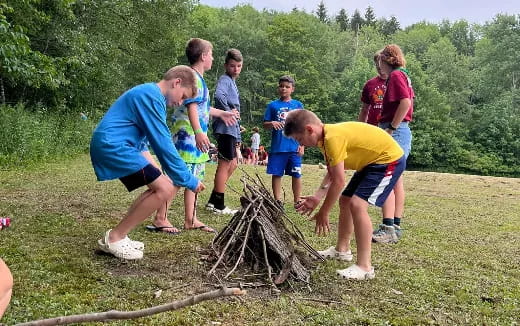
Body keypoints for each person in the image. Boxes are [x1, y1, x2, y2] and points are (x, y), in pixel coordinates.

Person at [90, 65, 205, 260]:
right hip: (114, 146)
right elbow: (162, 143)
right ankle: (115, 237)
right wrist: (189, 179)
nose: (181, 102)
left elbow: (144, 142)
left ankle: (119, 236)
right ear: (176, 82)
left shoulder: (150, 94)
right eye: (183, 96)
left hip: (120, 145)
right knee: (165, 189)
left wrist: (156, 170)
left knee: (161, 186)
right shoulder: (151, 96)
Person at [285, 109, 405, 280]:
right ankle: (342, 250)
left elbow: (339, 181)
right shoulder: (324, 139)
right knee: (345, 201)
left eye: (299, 139)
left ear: (309, 129)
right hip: (370, 162)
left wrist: (324, 211)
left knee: (357, 204)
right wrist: (317, 197)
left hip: (388, 160)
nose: (301, 143)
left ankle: (365, 267)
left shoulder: (332, 138)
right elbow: (333, 172)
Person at [154, 38, 238, 234]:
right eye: (211, 54)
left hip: (196, 138)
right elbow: (191, 106)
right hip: (187, 137)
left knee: (195, 176)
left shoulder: (199, 79)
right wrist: (199, 132)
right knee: (178, 175)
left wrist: (221, 113)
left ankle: (190, 219)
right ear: (203, 56)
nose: (213, 58)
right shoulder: (191, 77)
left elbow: (202, 107)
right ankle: (160, 218)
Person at [372, 44, 414, 243]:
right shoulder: (403, 75)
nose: (379, 66)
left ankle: (387, 227)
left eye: (380, 61)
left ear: (387, 59)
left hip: (395, 130)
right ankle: (395, 226)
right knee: (396, 180)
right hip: (401, 131)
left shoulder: (396, 76)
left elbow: (405, 103)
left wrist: (391, 129)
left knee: (386, 177)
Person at [206, 49, 243, 215]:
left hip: (232, 129)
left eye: (239, 66)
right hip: (225, 127)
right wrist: (228, 112)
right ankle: (218, 205)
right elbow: (219, 96)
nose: (236, 69)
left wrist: (238, 133)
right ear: (226, 65)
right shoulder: (225, 79)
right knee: (224, 163)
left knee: (233, 163)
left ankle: (213, 200)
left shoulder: (232, 82)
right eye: (232, 66)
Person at [263, 75, 304, 206]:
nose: (284, 89)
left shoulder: (298, 105)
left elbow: (303, 126)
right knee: (277, 173)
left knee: (296, 174)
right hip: (278, 147)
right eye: (281, 86)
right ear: (278, 88)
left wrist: (302, 145)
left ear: (293, 89)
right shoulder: (272, 106)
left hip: (294, 147)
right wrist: (271, 123)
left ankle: (297, 200)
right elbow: (265, 124)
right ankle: (277, 200)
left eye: (287, 87)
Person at [359, 50, 387, 126]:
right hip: (373, 127)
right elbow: (364, 110)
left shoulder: (396, 81)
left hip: (391, 127)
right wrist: (361, 128)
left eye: (381, 66)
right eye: (377, 67)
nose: (380, 69)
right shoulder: (370, 84)